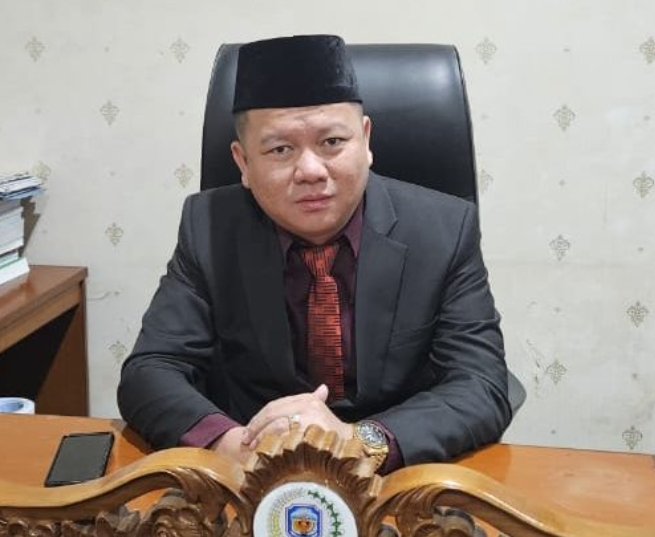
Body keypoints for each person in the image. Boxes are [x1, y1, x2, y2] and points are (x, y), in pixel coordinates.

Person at [117, 34, 511, 473]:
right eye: (280, 150)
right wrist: (229, 444)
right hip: (254, 473)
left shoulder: (444, 229)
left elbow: (481, 384)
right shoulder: (208, 226)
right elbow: (151, 370)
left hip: (393, 475)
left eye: (332, 142)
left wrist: (359, 442)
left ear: (366, 140)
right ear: (243, 162)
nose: (310, 170)